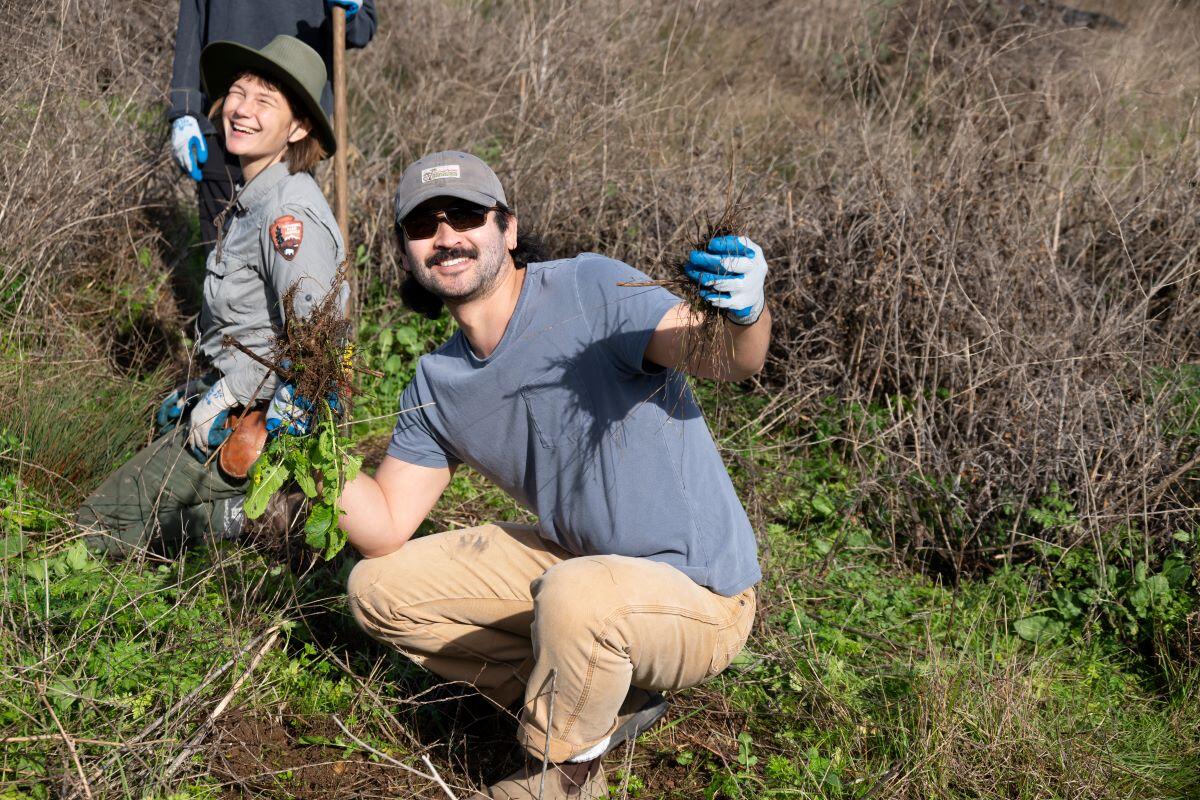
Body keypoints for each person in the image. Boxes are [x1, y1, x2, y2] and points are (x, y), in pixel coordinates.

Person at [339, 152, 771, 799]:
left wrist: (745, 313)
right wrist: (307, 452)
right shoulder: (437, 382)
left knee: (579, 596)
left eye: (465, 215)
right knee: (377, 588)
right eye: (424, 225)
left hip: (700, 597)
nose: (447, 235)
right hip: (582, 568)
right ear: (406, 251)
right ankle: (603, 701)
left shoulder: (588, 289)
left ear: (507, 229)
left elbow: (728, 359)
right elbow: (385, 525)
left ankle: (560, 775)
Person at [77, 36, 345, 556]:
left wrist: (228, 395)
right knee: (157, 431)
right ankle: (237, 516)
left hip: (266, 413)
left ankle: (257, 517)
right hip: (238, 390)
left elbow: (317, 342)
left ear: (298, 127)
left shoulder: (288, 215)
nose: (241, 110)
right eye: (238, 93)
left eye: (265, 101)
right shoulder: (253, 194)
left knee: (95, 526)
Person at [168, 0, 377, 253]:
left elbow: (361, 29)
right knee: (220, 260)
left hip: (292, 125)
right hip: (225, 118)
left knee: (286, 254)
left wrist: (351, 11)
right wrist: (185, 108)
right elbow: (194, 12)